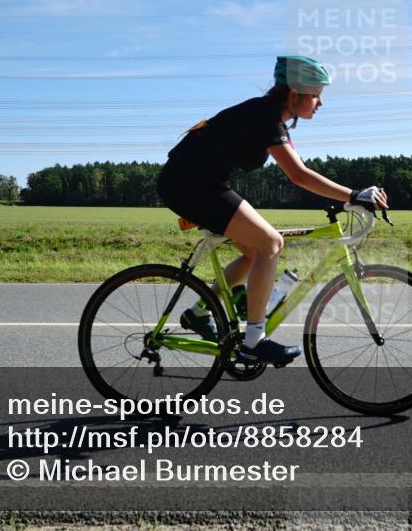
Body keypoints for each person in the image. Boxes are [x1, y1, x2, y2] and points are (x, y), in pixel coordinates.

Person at [156, 55, 388, 366]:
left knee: (255, 251)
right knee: (271, 243)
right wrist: (355, 195)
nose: (320, 103)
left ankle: (200, 312)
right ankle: (253, 342)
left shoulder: (268, 115)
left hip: (198, 181)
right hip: (190, 183)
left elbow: (299, 171)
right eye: (316, 95)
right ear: (294, 95)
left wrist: (350, 195)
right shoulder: (265, 117)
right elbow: (299, 175)